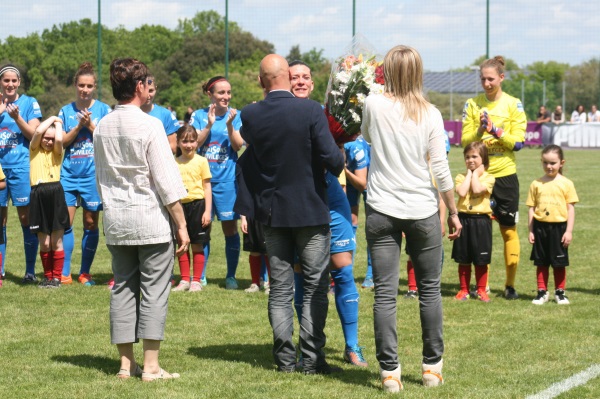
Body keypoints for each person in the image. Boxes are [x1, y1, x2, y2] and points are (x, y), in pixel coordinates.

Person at [235, 54, 344, 375]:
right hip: (310, 210)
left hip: (272, 214)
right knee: (314, 287)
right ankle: (311, 359)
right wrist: (339, 154)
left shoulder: (251, 114)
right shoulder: (310, 110)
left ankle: (285, 360)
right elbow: (330, 157)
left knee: (281, 290)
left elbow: (254, 150)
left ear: (260, 81)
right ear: (286, 75)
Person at [362, 45, 461, 392]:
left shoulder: (372, 104)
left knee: (385, 295)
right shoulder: (431, 113)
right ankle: (432, 369)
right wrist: (453, 210)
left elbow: (367, 137)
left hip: (381, 208)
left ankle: (390, 374)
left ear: (386, 71)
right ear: (418, 72)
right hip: (423, 210)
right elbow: (441, 169)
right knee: (430, 292)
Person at [94, 58, 189, 381]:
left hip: (117, 220)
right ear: (137, 87)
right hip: (150, 220)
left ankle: (125, 365)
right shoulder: (151, 124)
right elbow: (166, 180)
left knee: (122, 288)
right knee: (154, 290)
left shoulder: (102, 125)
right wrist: (181, 224)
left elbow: (100, 177)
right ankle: (150, 366)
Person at [288, 60, 367, 368]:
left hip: (331, 198)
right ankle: (308, 346)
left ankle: (352, 346)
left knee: (344, 271)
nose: (301, 81)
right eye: (294, 77)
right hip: (297, 202)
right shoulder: (281, 113)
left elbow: (337, 156)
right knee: (302, 278)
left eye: (305, 77)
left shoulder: (329, 114)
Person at [462, 55, 527, 300]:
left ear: (501, 77)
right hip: (480, 177)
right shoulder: (472, 104)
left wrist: (495, 130)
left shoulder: (514, 104)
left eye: (491, 79)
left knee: (508, 231)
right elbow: (464, 141)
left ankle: (510, 286)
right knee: (481, 233)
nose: (486, 83)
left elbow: (518, 143)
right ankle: (482, 286)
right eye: (483, 79)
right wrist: (479, 129)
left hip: (506, 177)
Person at [58, 62, 112, 286]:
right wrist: (78, 126)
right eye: (81, 85)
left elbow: (108, 140)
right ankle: (65, 272)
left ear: (94, 87)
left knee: (90, 222)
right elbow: (62, 142)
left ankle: (85, 272)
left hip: (93, 176)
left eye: (89, 86)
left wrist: (90, 125)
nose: (85, 90)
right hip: (69, 174)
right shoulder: (65, 111)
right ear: (75, 85)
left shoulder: (104, 110)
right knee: (65, 223)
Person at [190, 76, 243, 289]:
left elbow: (238, 146)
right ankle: (200, 276)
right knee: (204, 228)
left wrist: (229, 125)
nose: (226, 97)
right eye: (221, 93)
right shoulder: (199, 115)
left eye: (228, 93)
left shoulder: (235, 115)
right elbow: (192, 143)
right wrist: (209, 126)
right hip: (202, 182)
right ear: (210, 94)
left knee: (230, 228)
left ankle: (230, 276)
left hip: (227, 181)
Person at [0, 64, 42, 284]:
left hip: (21, 168)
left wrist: (17, 118)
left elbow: (35, 134)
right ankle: (0, 271)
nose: (10, 84)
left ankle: (29, 271)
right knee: (1, 221)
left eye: (13, 81)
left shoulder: (28, 103)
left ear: (19, 82)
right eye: (6, 80)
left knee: (26, 219)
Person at [527, 145, 578, 305]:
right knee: (541, 262)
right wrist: (531, 230)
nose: (549, 166)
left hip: (559, 228)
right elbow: (531, 208)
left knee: (559, 262)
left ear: (561, 163)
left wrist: (568, 231)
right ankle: (542, 292)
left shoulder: (567, 183)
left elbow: (571, 208)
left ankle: (560, 292)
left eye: (553, 163)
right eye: (545, 163)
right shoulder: (536, 183)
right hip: (540, 227)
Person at [29, 116, 70, 288]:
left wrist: (58, 124)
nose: (48, 141)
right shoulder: (34, 150)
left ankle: (57, 278)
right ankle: (47, 277)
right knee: (44, 242)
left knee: (56, 241)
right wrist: (53, 118)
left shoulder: (57, 152)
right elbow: (38, 131)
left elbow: (60, 139)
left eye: (51, 139)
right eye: (46, 138)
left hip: (55, 192)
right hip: (38, 194)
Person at [452, 142, 495, 302]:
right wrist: (470, 174)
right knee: (464, 258)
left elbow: (477, 190)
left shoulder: (489, 177)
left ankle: (481, 290)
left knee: (481, 258)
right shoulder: (460, 177)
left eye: (474, 157)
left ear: (483, 159)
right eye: (467, 157)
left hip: (481, 221)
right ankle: (464, 290)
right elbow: (462, 191)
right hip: (464, 219)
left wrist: (476, 174)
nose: (470, 160)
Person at [171, 125, 212, 293]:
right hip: (180, 207)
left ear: (197, 142)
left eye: (192, 141)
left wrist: (207, 211)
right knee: (182, 243)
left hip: (198, 206)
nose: (189, 145)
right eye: (185, 141)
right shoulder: (173, 163)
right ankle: (185, 280)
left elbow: (207, 187)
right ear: (178, 143)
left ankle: (196, 280)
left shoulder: (202, 161)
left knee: (197, 245)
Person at [343, 136, 372, 288]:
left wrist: (344, 171)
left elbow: (363, 184)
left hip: (368, 179)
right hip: (347, 176)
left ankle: (371, 274)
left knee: (372, 227)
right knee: (348, 222)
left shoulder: (356, 148)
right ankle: (346, 272)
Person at [141, 75, 180, 154]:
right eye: (145, 90)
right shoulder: (131, 113)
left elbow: (173, 147)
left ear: (156, 88)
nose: (148, 95)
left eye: (151, 91)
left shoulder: (165, 114)